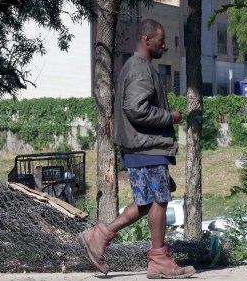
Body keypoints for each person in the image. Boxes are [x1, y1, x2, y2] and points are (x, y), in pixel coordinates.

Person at [77, 18, 196, 279]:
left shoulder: (136, 66)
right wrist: (170, 117)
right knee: (159, 200)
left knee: (147, 203)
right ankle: (158, 260)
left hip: (141, 147)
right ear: (146, 40)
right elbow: (136, 109)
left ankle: (99, 236)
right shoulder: (140, 68)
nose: (165, 45)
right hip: (146, 147)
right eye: (161, 40)